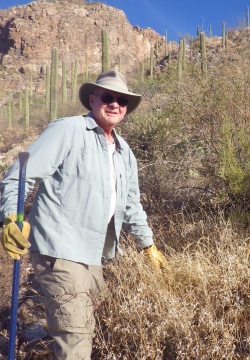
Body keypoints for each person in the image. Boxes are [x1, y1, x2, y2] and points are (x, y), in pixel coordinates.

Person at [1, 70, 167, 359]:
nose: (115, 104)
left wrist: (148, 244)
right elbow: (19, 177)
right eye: (108, 97)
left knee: (90, 328)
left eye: (122, 100)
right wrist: (10, 218)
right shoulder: (67, 130)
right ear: (93, 99)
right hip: (61, 249)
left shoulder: (125, 152)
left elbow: (130, 205)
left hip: (95, 255)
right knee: (76, 338)